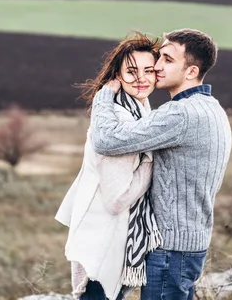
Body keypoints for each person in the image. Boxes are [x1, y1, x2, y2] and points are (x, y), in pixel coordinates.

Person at [90, 28, 232, 300]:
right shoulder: (212, 108)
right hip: (190, 245)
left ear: (190, 71)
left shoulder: (181, 114)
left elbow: (106, 140)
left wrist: (104, 95)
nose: (156, 66)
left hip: (170, 251)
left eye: (167, 60)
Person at [55, 32, 164, 300]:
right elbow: (117, 198)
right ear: (116, 75)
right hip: (102, 242)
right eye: (131, 71)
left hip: (111, 238)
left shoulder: (137, 110)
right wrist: (151, 163)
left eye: (148, 70)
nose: (141, 78)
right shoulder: (120, 118)